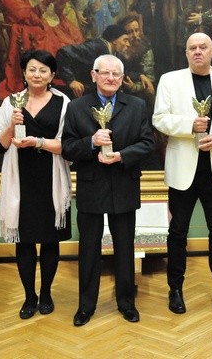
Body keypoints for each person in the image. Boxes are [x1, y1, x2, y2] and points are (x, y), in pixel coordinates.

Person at [62, 54, 155, 326]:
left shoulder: (136, 106)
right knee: (88, 249)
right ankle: (85, 306)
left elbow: (148, 143)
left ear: (121, 77)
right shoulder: (78, 107)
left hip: (124, 184)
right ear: (93, 75)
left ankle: (127, 304)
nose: (110, 78)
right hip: (91, 186)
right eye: (105, 73)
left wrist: (122, 155)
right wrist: (91, 142)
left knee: (125, 248)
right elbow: (67, 147)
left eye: (116, 74)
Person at [152, 32, 212, 313]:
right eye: (193, 48)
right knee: (177, 232)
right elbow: (159, 118)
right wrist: (190, 125)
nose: (198, 51)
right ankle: (175, 289)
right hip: (182, 170)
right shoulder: (170, 80)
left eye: (203, 47)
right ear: (186, 52)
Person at [0, 50, 72, 319]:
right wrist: (11, 127)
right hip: (20, 180)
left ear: (52, 75)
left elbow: (68, 145)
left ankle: (46, 293)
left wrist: (37, 142)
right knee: (24, 242)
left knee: (50, 241)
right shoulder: (10, 102)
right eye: (32, 69)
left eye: (43, 70)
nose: (37, 74)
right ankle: (29, 296)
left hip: (51, 179)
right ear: (24, 73)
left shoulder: (63, 102)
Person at [56, 24, 131, 99]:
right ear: (114, 40)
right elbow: (63, 53)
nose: (128, 44)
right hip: (76, 94)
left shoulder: (115, 55)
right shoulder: (95, 47)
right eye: (125, 40)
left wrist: (140, 76)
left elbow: (125, 72)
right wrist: (71, 80)